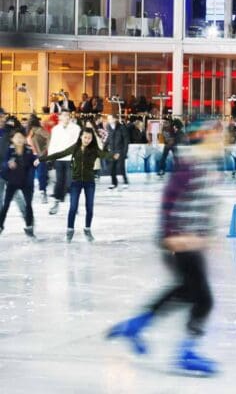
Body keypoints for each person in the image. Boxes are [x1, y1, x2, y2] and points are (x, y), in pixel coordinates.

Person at [106, 120, 220, 376]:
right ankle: (185, 351)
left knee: (186, 292)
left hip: (191, 241)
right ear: (200, 137)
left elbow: (203, 205)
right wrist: (172, 236)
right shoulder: (189, 166)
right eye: (214, 135)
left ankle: (135, 326)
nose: (219, 140)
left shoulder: (202, 165)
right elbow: (169, 201)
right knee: (202, 298)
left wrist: (205, 234)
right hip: (181, 242)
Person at [36, 127, 112, 242]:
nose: (87, 140)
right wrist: (42, 159)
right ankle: (70, 230)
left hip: (89, 183)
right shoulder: (75, 148)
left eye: (89, 138)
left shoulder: (94, 150)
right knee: (73, 208)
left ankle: (87, 229)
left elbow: (105, 155)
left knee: (89, 208)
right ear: (81, 137)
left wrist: (115, 155)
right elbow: (60, 154)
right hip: (76, 182)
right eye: (85, 137)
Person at [1, 128, 36, 237]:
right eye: (17, 138)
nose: (19, 140)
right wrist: (8, 164)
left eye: (21, 137)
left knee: (28, 205)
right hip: (13, 182)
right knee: (6, 205)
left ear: (25, 139)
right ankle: (0, 225)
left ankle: (29, 226)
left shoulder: (29, 150)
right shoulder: (9, 151)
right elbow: (4, 164)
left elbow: (35, 160)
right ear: (12, 139)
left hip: (26, 183)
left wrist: (36, 162)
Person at [47, 111, 81, 216]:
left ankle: (74, 205)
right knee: (59, 182)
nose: (66, 117)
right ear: (60, 117)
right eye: (63, 115)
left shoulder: (76, 128)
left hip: (71, 159)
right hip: (59, 159)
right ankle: (56, 203)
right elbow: (53, 144)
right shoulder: (56, 129)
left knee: (70, 182)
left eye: (67, 115)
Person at [27, 117, 49, 204]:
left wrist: (44, 149)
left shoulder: (39, 130)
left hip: (39, 156)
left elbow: (49, 137)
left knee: (41, 175)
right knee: (30, 175)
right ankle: (30, 193)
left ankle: (43, 192)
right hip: (30, 155)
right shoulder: (28, 131)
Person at [105, 113, 130, 190]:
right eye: (108, 119)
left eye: (110, 118)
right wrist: (104, 146)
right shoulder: (108, 126)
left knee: (120, 167)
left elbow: (126, 140)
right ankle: (114, 183)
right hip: (112, 150)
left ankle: (125, 181)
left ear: (115, 119)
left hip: (120, 150)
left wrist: (125, 152)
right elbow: (109, 137)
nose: (108, 120)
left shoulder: (122, 127)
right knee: (112, 167)